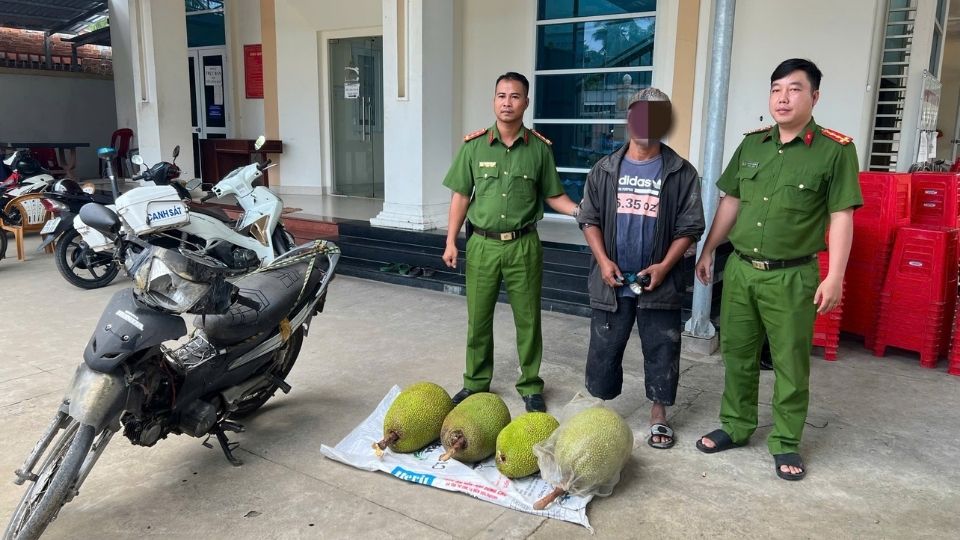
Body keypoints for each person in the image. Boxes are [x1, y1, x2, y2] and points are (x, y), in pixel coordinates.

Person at [694, 59, 862, 480]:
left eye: (794, 89)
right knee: (738, 355)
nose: (782, 98)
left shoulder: (835, 150)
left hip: (792, 276)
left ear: (814, 96)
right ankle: (736, 424)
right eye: (776, 89)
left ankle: (786, 442)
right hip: (741, 270)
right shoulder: (752, 145)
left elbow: (842, 215)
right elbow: (730, 201)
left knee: (789, 362)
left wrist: (835, 274)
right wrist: (710, 248)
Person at [442, 72, 579, 413]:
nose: (507, 102)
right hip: (482, 245)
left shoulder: (539, 150)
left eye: (515, 96)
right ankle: (475, 382)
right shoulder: (473, 147)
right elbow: (461, 196)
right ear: (493, 100)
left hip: (523, 246)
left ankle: (531, 385)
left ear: (525, 102)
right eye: (501, 95)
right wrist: (450, 241)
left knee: (528, 319)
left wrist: (582, 210)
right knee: (479, 317)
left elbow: (555, 196)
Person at [577, 88, 705, 449]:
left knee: (662, 348)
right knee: (604, 347)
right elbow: (589, 219)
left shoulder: (681, 172)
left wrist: (665, 266)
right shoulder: (604, 169)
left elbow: (691, 226)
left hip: (659, 281)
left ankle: (658, 413)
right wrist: (603, 261)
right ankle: (599, 407)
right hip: (612, 279)